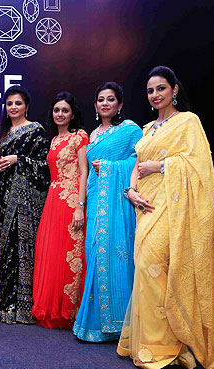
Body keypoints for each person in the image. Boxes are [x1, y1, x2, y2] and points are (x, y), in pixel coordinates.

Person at [118, 66, 214, 369]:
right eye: (150, 90)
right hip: (144, 205)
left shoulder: (188, 122)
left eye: (161, 88)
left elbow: (199, 164)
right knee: (145, 269)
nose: (155, 95)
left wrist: (161, 165)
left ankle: (165, 348)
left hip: (172, 206)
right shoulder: (148, 128)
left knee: (156, 267)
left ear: (174, 90)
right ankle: (155, 347)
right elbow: (137, 166)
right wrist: (130, 191)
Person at [72, 82, 142, 342]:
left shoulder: (130, 130)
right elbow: (87, 172)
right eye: (100, 99)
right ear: (95, 105)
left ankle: (121, 323)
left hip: (118, 204)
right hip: (95, 202)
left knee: (117, 254)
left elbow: (138, 161)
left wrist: (111, 167)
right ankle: (96, 323)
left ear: (119, 104)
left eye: (110, 99)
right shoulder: (93, 135)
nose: (105, 103)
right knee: (94, 252)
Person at [32, 92, 89, 329]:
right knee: (53, 253)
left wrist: (80, 206)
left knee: (70, 254)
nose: (60, 114)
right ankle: (51, 308)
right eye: (57, 110)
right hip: (53, 199)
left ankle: (69, 310)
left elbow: (84, 171)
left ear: (72, 114)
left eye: (65, 110)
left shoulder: (80, 136)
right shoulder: (54, 139)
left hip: (72, 200)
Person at [0, 86, 50, 324]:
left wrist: (18, 159)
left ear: (26, 106)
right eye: (9, 104)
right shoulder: (4, 134)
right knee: (6, 248)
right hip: (4, 196)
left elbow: (45, 165)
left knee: (22, 249)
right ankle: (5, 304)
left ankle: (23, 307)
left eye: (18, 103)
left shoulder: (36, 130)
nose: (13, 107)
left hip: (25, 200)